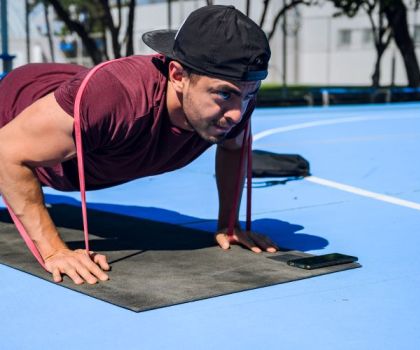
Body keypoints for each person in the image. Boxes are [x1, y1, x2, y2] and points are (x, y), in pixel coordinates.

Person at [0, 5, 278, 285]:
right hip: (14, 104)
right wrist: (55, 251)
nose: (238, 113)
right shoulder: (117, 98)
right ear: (178, 76)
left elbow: (233, 148)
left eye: (248, 95)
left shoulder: (233, 105)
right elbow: (5, 151)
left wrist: (228, 223)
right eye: (224, 93)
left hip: (75, 108)